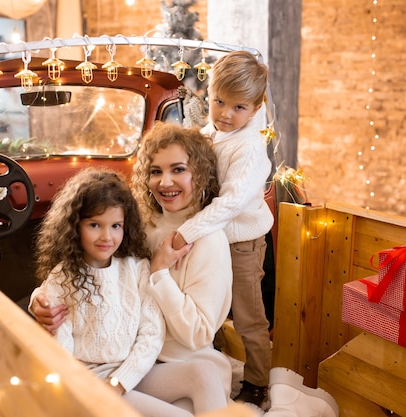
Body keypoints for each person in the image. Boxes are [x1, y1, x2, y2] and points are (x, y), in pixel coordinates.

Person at [31, 123, 234, 414]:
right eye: (155, 171)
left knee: (202, 384)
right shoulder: (145, 223)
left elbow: (195, 334)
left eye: (178, 169)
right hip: (127, 365)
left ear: (200, 173)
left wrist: (160, 273)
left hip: (167, 361)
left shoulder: (208, 240)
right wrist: (41, 301)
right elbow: (85, 277)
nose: (165, 182)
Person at [31, 168, 192, 417]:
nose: (107, 236)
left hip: (132, 373)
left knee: (196, 388)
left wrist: (119, 383)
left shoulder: (136, 269)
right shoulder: (63, 278)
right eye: (95, 225)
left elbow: (151, 334)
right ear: (75, 227)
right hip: (89, 380)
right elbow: (60, 345)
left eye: (115, 225)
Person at [171, 49, 274, 407]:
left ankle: (258, 383)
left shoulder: (248, 148)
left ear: (257, 108)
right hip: (210, 237)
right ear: (209, 94)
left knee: (248, 315)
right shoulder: (208, 132)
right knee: (205, 299)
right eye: (218, 101)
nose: (226, 114)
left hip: (241, 241)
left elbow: (230, 204)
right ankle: (209, 359)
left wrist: (186, 233)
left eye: (239, 107)